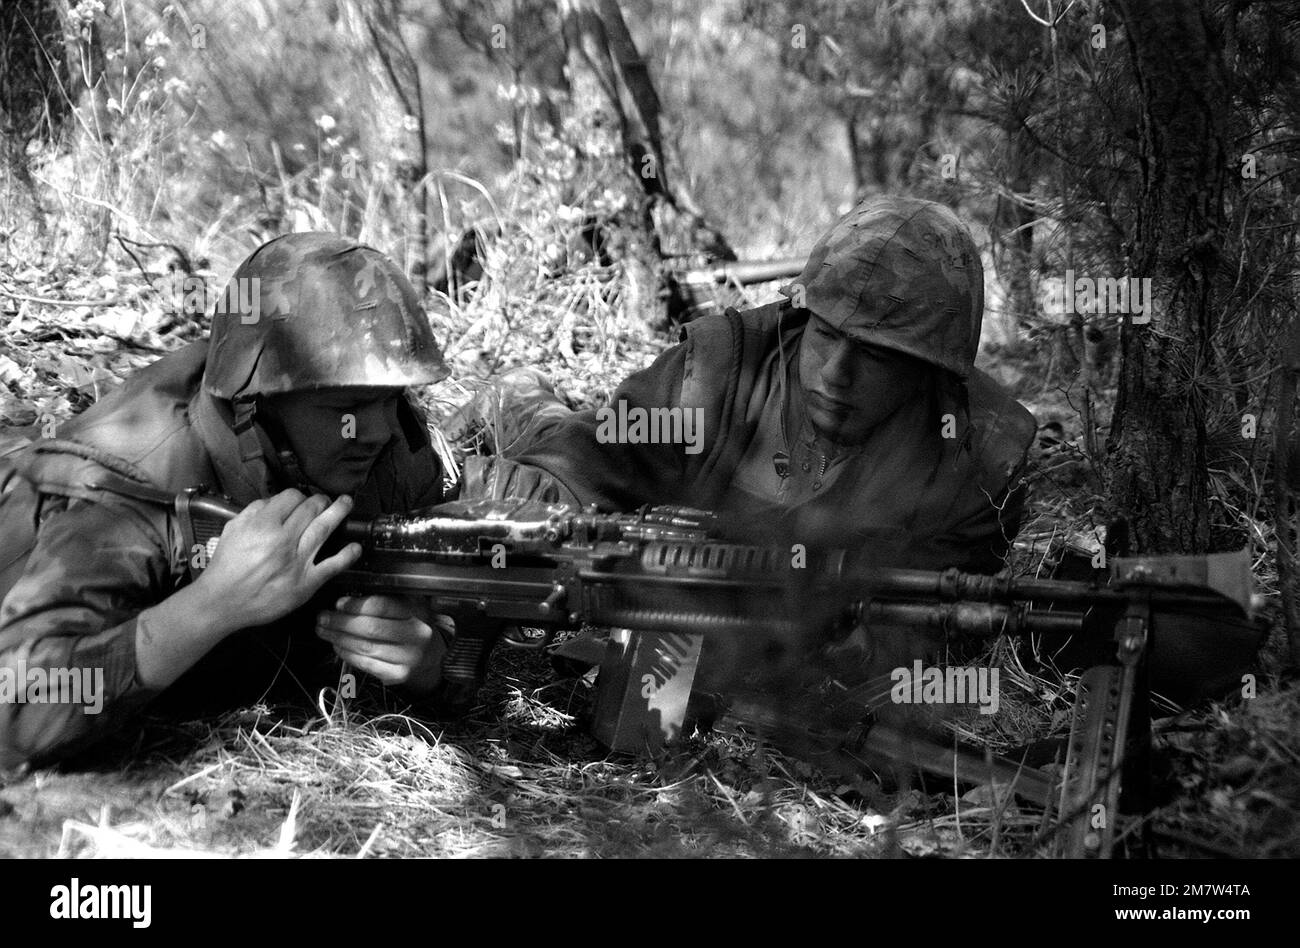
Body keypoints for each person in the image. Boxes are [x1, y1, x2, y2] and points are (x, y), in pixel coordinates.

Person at [457, 196, 1038, 704]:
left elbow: (938, 624)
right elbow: (586, 468)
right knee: (550, 430)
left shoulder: (974, 457)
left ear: (928, 371)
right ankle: (517, 394)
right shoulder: (720, 375)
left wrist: (851, 647)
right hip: (643, 485)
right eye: (826, 335)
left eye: (876, 356)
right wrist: (484, 504)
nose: (837, 374)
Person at [0, 233, 453, 770]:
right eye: (347, 406)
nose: (378, 430)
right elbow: (19, 706)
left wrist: (428, 663)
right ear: (255, 405)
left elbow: (452, 615)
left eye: (390, 399)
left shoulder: (390, 450)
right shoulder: (129, 490)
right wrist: (210, 607)